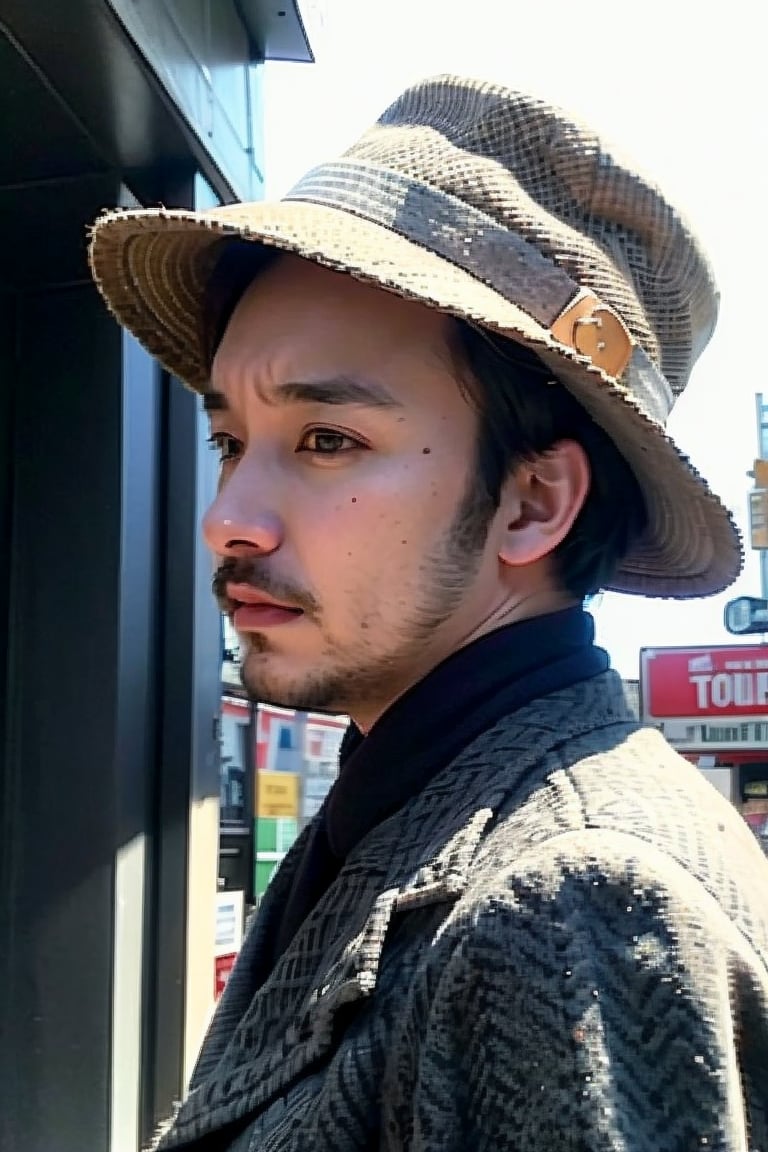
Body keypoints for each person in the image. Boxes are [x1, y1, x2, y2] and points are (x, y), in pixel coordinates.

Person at [89, 75, 768, 1151]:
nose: (230, 518)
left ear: (533, 502)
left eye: (326, 441)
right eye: (231, 442)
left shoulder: (568, 902)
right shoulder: (425, 805)